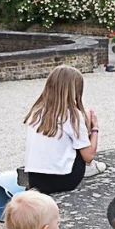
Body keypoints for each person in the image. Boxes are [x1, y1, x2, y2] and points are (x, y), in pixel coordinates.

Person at [23, 65, 105, 195]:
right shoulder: (72, 115)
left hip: (36, 179)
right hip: (64, 179)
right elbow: (88, 156)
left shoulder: (36, 112)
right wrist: (95, 128)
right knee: (83, 132)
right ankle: (90, 168)